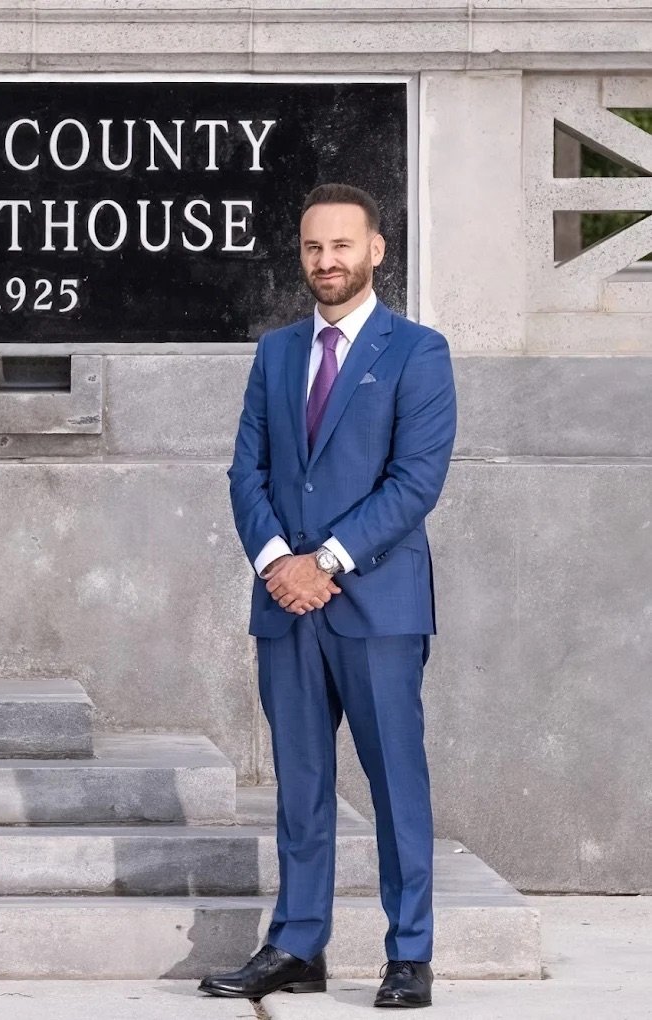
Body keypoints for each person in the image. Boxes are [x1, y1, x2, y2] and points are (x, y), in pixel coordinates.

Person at [201, 183, 456, 1009]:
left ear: (377, 250)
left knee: (394, 784)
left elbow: (415, 481)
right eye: (314, 247)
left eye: (343, 245)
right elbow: (248, 470)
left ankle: (408, 953)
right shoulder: (276, 352)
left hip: (376, 605)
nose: (327, 261)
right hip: (285, 604)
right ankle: (297, 946)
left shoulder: (418, 352)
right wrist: (280, 561)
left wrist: (329, 561)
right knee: (300, 783)